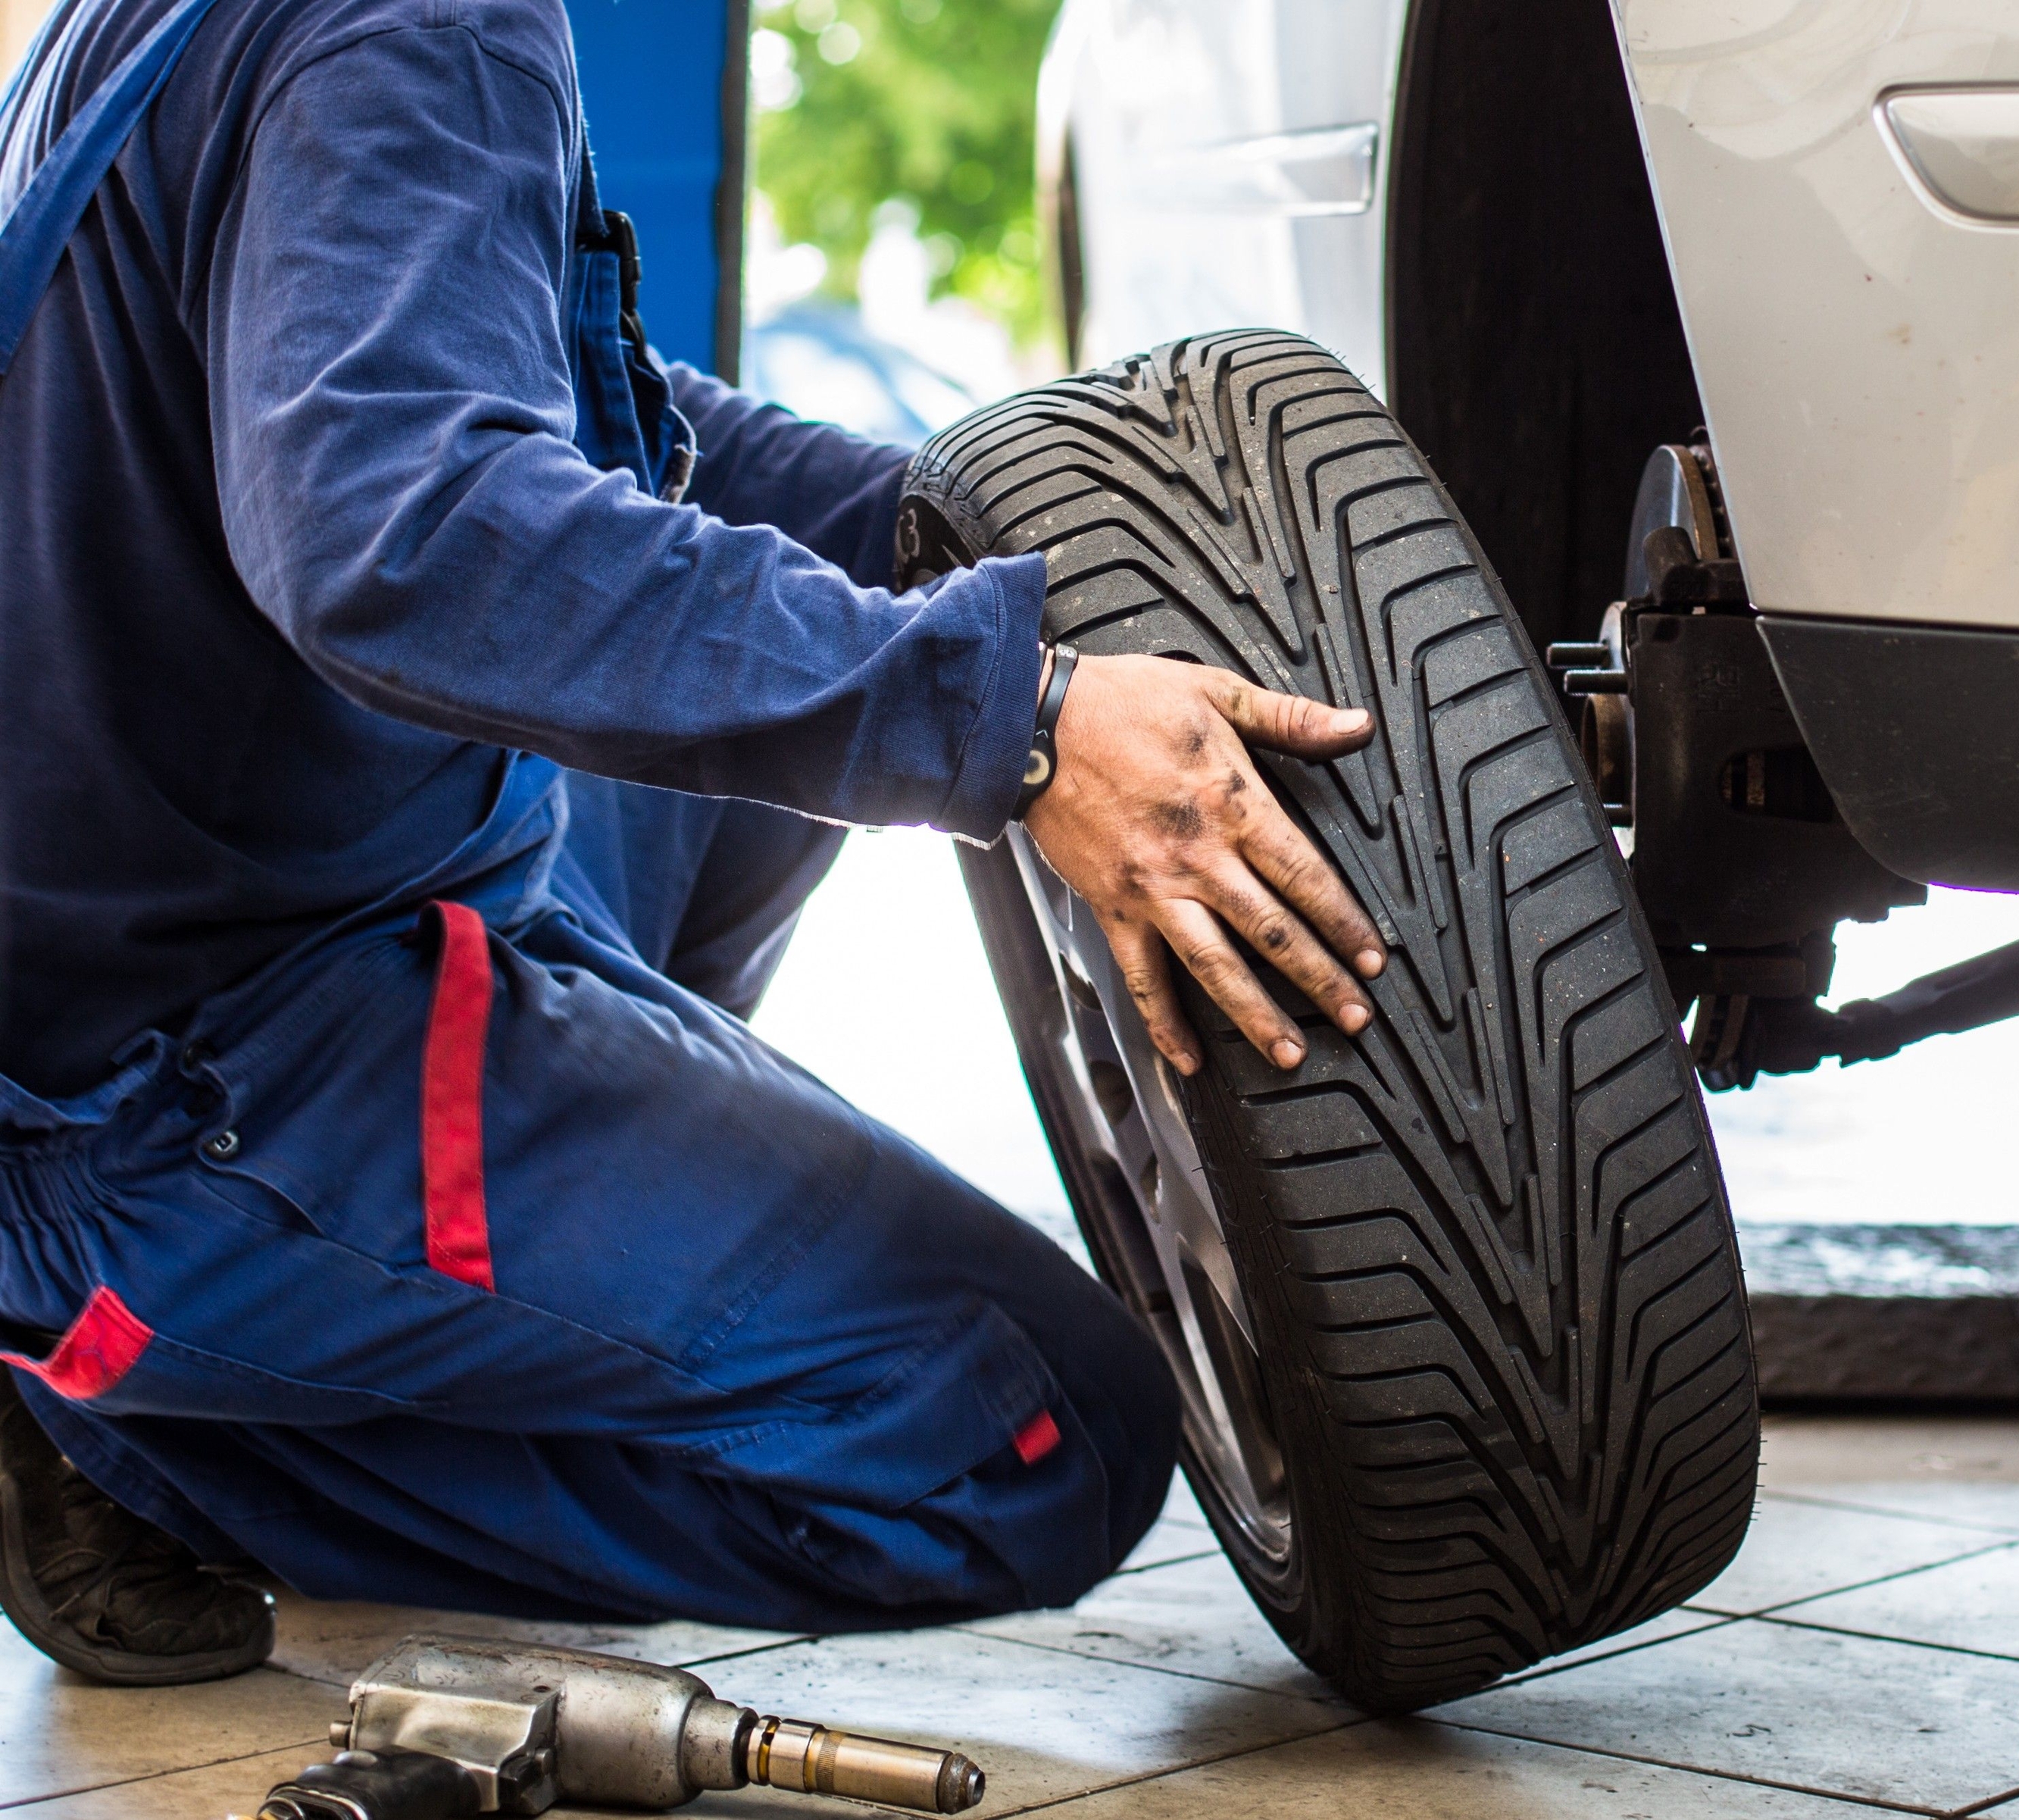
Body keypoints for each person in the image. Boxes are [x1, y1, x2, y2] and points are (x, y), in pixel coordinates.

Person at [0, 0, 1387, 1684]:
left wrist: (950, 537)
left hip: (204, 915)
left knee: (747, 731)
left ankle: (524, 1275)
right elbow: (402, 536)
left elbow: (578, 417)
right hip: (176, 1084)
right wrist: (1008, 728)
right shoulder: (425, 22)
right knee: (1040, 1435)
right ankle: (138, 1431)